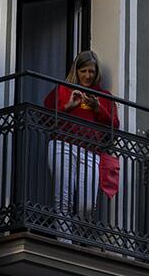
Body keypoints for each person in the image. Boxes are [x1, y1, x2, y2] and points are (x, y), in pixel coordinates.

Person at [44, 50, 120, 223]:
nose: (87, 75)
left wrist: (98, 108)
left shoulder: (104, 96)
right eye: (83, 71)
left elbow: (114, 126)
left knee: (87, 205)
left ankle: (76, 240)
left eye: (91, 71)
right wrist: (68, 106)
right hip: (63, 145)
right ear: (76, 71)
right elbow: (45, 119)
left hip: (91, 151)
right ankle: (65, 242)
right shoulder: (63, 89)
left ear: (96, 73)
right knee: (63, 200)